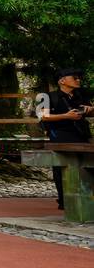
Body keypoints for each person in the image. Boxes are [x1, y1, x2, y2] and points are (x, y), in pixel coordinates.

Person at [38, 68, 92, 208]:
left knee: (88, 164)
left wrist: (90, 109)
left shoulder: (81, 95)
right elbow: (42, 116)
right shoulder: (44, 96)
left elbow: (92, 111)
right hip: (59, 135)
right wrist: (66, 116)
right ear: (62, 80)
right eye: (74, 77)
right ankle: (64, 200)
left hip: (81, 134)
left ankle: (87, 197)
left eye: (79, 77)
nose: (78, 80)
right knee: (61, 166)